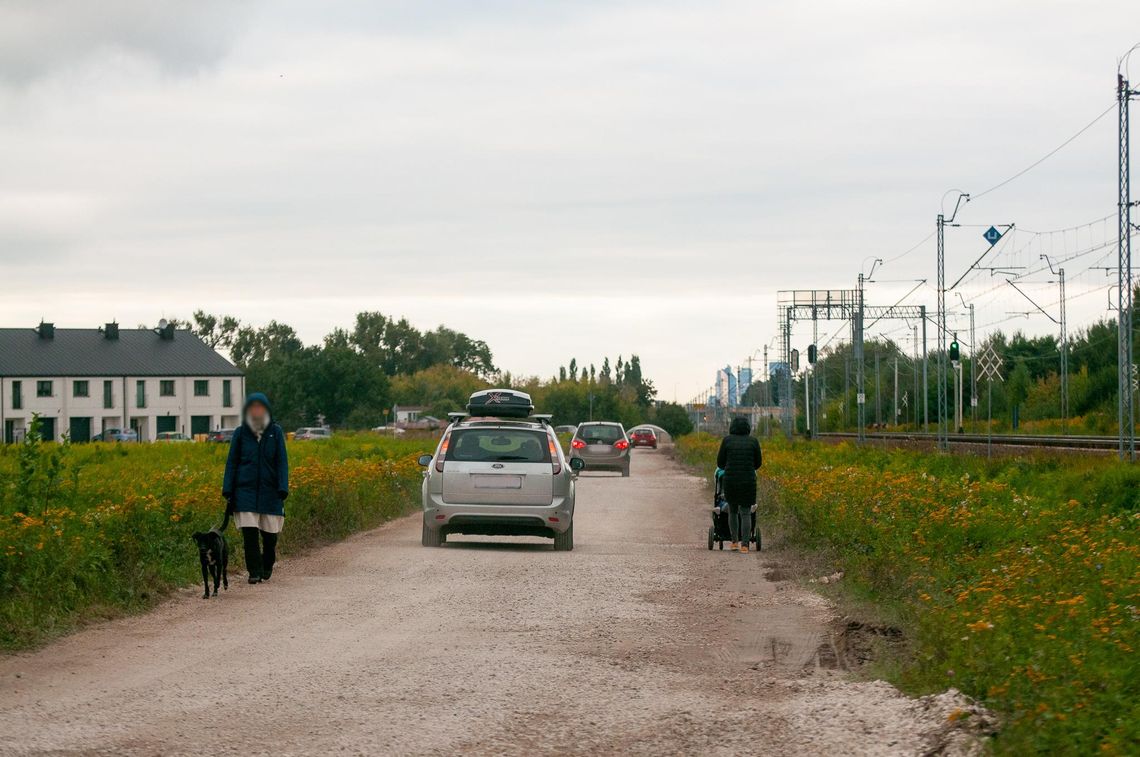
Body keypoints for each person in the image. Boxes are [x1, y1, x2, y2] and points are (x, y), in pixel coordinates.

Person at [222, 392, 289, 584]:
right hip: (245, 492)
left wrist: (282, 487)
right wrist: (228, 490)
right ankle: (254, 571)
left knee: (270, 537)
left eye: (260, 407)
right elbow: (232, 463)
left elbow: (281, 462)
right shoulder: (240, 433)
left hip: (270, 492)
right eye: (253, 407)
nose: (256, 410)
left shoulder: (275, 432)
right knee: (249, 534)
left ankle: (267, 564)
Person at [716, 417, 761, 553]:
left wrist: (729, 467)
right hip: (748, 480)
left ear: (732, 427)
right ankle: (745, 545)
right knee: (746, 512)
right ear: (748, 427)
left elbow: (720, 462)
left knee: (733, 511)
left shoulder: (727, 440)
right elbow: (758, 463)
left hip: (731, 480)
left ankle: (734, 542)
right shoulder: (753, 441)